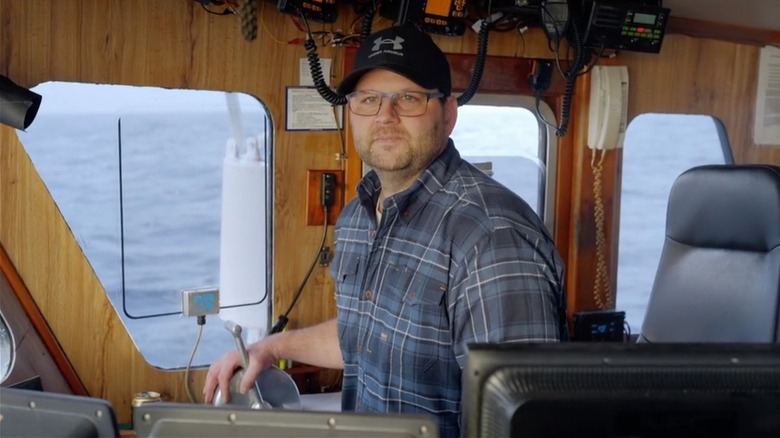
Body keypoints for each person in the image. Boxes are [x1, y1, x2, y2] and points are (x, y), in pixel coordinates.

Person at [204, 24, 568, 438]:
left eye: (408, 99)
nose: (385, 117)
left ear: (448, 113)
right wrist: (269, 348)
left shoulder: (491, 238)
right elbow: (363, 336)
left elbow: (523, 419)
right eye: (368, 100)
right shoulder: (359, 217)